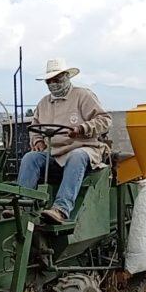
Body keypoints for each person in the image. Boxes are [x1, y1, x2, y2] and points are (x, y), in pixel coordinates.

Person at [17, 58, 112, 223]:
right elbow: (35, 128)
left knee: (76, 156)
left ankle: (61, 208)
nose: (54, 84)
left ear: (67, 76)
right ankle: (23, 208)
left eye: (57, 79)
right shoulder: (44, 103)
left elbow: (105, 120)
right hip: (53, 154)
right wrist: (38, 141)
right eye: (50, 81)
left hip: (84, 148)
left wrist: (83, 128)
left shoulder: (83, 96)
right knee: (30, 158)